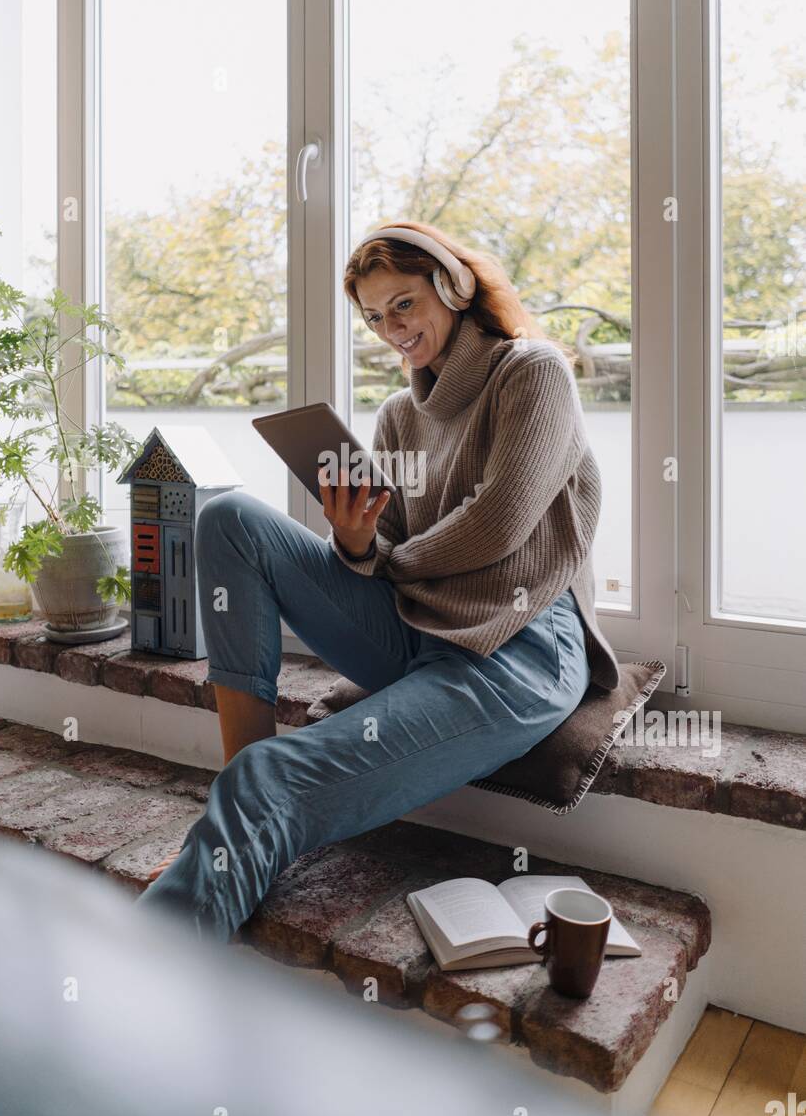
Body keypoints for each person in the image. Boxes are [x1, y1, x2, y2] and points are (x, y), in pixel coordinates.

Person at [136, 221, 620, 943]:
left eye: (402, 304)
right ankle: (249, 801)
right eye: (372, 316)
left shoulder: (532, 371)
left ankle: (143, 977)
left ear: (452, 288)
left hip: (515, 650)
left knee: (269, 783)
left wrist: (381, 560)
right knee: (230, 518)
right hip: (415, 626)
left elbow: (499, 522)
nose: (390, 327)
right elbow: (390, 547)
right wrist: (355, 541)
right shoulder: (398, 414)